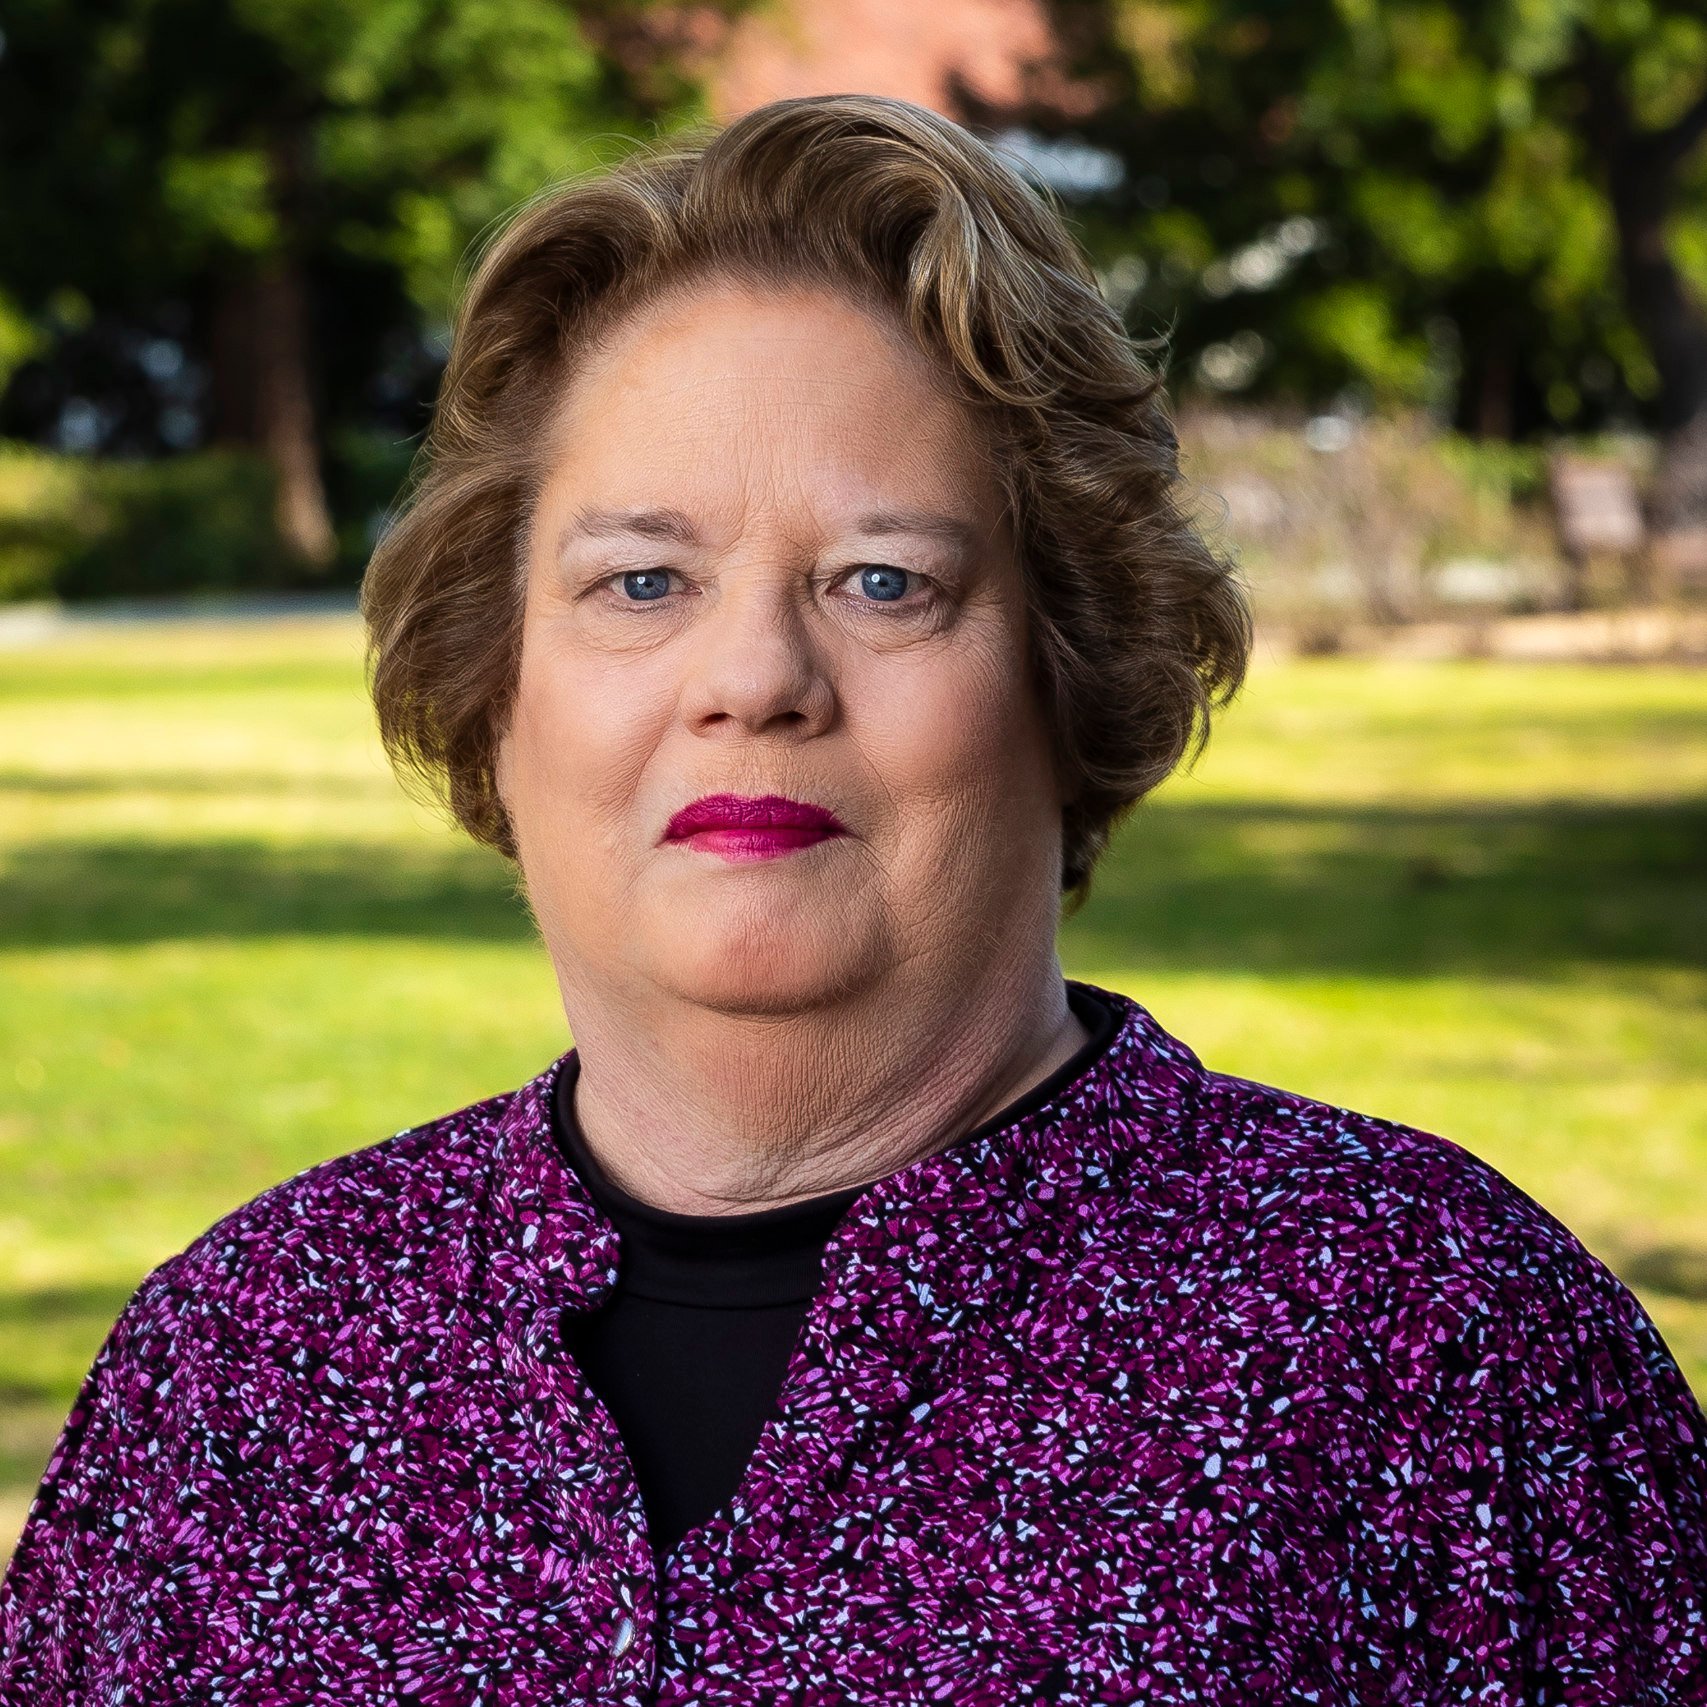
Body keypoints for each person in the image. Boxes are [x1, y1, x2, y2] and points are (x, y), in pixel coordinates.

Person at [3, 91, 1705, 1705]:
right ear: (495, 689)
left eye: (885, 581)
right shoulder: (237, 1374)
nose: (753, 675)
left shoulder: (1432, 1342)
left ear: (1070, 672)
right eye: (641, 580)